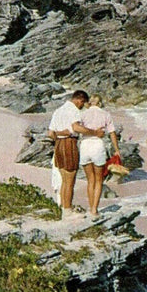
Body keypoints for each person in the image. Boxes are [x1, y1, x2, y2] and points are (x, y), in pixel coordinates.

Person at [47, 90, 103, 218]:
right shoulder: (74, 111)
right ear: (80, 100)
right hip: (69, 144)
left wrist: (59, 134)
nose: (82, 106)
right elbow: (76, 128)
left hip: (58, 145)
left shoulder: (58, 110)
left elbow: (50, 133)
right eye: (82, 103)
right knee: (70, 180)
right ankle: (67, 210)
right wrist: (94, 132)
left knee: (64, 180)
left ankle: (64, 207)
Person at [78, 94, 122, 217]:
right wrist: (116, 149)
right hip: (97, 146)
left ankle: (90, 206)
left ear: (90, 102)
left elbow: (77, 129)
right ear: (100, 103)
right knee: (98, 180)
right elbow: (112, 133)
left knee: (90, 180)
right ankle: (94, 210)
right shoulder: (105, 114)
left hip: (85, 145)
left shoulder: (83, 114)